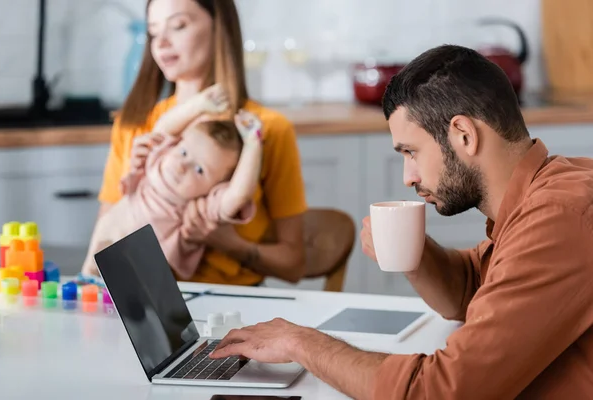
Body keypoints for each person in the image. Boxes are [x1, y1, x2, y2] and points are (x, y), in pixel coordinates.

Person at [209, 45, 593, 399]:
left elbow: (437, 392)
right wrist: (414, 251)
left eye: (411, 151)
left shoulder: (560, 217)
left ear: (463, 135)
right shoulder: (548, 191)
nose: (408, 177)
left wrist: (300, 343)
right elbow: (474, 288)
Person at [95, 0, 307, 285]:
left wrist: (229, 243)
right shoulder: (135, 126)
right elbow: (108, 237)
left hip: (238, 309)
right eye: (154, 33)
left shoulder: (265, 130)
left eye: (179, 26)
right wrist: (135, 179)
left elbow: (294, 265)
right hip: (150, 301)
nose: (162, 43)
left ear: (219, 27)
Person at [82, 83, 265, 279]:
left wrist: (253, 144)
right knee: (89, 279)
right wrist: (200, 105)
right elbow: (163, 127)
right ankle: (86, 276)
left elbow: (238, 195)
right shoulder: (158, 158)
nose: (182, 166)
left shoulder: (197, 205)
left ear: (215, 188)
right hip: (105, 240)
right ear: (176, 144)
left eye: (199, 169)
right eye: (184, 152)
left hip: (141, 272)